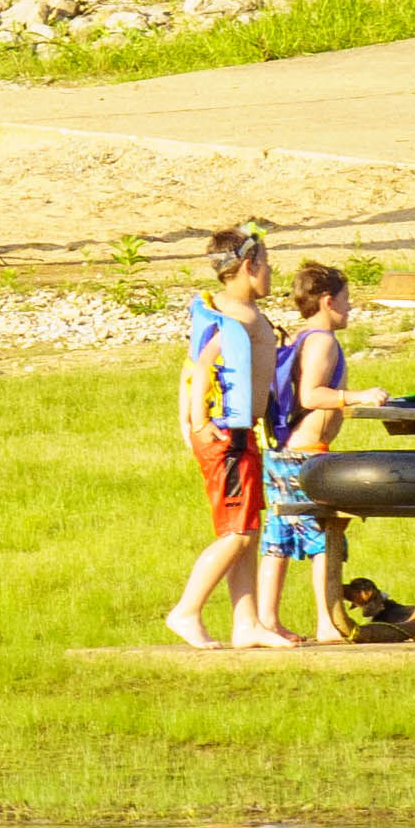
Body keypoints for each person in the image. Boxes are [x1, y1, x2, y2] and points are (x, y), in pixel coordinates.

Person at [167, 230, 295, 649]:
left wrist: (188, 423)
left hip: (240, 436)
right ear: (249, 266)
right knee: (236, 534)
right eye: (268, 264)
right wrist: (198, 421)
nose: (272, 272)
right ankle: (186, 610)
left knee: (248, 530)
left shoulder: (231, 310)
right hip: (228, 439)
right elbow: (200, 366)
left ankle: (247, 624)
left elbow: (189, 365)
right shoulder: (238, 317)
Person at [261, 262, 359, 638]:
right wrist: (356, 396)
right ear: (328, 300)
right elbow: (311, 395)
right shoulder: (322, 341)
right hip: (306, 454)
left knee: (279, 539)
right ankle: (326, 621)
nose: (350, 308)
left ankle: (269, 620)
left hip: (284, 453)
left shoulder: (301, 338)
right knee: (325, 536)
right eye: (346, 300)